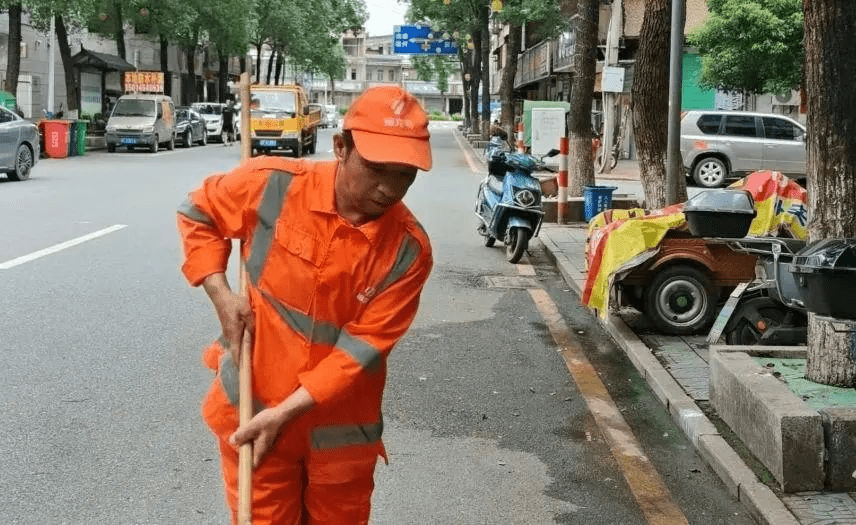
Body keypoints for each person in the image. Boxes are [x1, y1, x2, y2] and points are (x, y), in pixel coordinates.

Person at [176, 84, 433, 524]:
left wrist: (288, 411)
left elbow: (361, 349)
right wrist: (220, 293)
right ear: (340, 147)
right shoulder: (272, 184)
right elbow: (198, 214)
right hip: (255, 411)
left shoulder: (408, 251)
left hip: (340, 432)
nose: (389, 187)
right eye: (375, 167)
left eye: (405, 173)